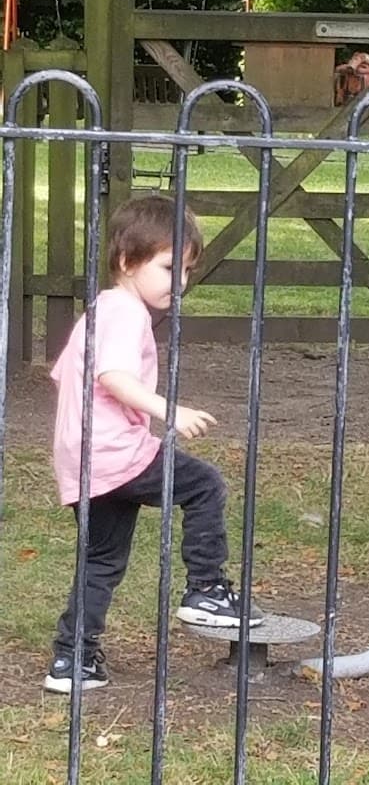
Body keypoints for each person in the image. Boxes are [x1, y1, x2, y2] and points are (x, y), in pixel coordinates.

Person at [43, 195, 263, 695]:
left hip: (83, 463)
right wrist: (168, 410)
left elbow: (67, 376)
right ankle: (206, 589)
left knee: (100, 561)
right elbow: (114, 377)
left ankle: (72, 660)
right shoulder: (124, 311)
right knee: (204, 485)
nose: (179, 282)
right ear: (127, 261)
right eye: (169, 267)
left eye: (185, 270)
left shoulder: (98, 312)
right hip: (117, 455)